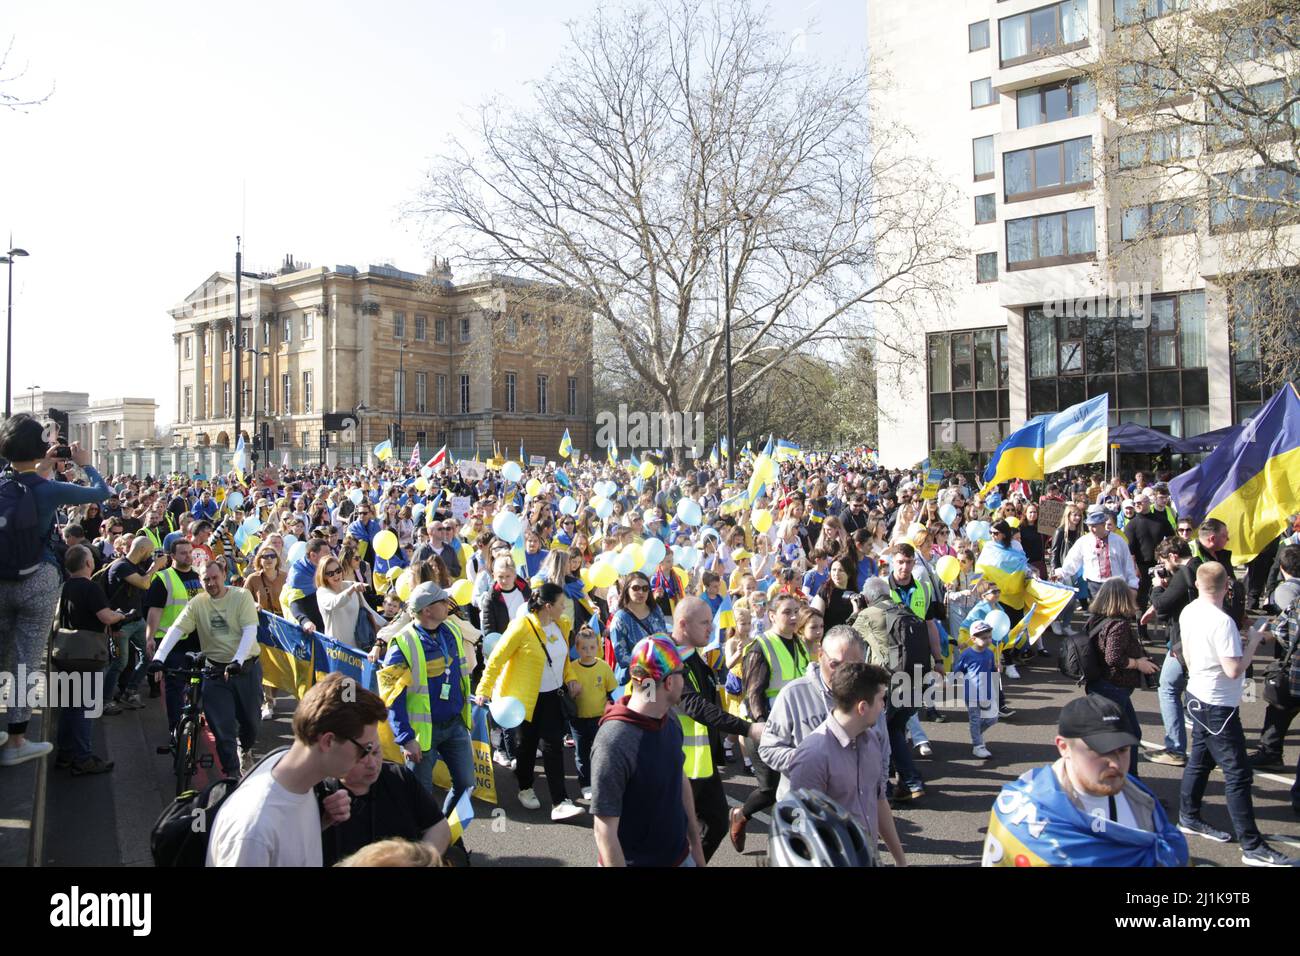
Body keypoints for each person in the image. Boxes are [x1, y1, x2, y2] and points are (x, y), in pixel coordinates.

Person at [0, 419, 110, 768]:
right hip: (39, 578)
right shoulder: (50, 490)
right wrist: (84, 461)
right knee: (26, 660)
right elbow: (101, 492)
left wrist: (40, 462)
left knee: (1, 652)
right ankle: (17, 738)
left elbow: (20, 479)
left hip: (2, 578)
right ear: (40, 449)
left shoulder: (4, 482)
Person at [1176, 562, 1295, 866]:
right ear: (1228, 585)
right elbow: (1233, 670)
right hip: (1218, 706)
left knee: (1200, 760)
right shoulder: (1222, 622)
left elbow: (1187, 652)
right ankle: (1252, 846)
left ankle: (1188, 816)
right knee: (1238, 774)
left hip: (1198, 694)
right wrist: (1253, 642)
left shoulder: (1190, 610)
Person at [982, 695, 1189, 867]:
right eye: (1101, 751)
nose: (1116, 764)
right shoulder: (1019, 816)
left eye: (1123, 750)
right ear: (1063, 747)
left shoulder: (1142, 800)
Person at [206, 673, 387, 866]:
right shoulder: (253, 832)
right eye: (365, 749)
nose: (370, 759)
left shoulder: (296, 777)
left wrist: (322, 822)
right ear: (328, 741)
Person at [589, 635, 705, 867]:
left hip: (681, 858)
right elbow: (604, 831)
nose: (686, 681)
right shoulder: (614, 742)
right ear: (669, 682)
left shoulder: (669, 718)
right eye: (682, 673)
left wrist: (696, 847)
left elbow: (678, 778)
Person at [474, 581, 583, 819]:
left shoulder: (562, 625)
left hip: (554, 696)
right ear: (547, 606)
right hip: (525, 700)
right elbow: (496, 659)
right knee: (527, 746)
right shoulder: (521, 627)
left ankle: (560, 801)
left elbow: (562, 662)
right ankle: (525, 787)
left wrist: (571, 678)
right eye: (560, 604)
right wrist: (484, 688)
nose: (564, 609)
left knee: (554, 746)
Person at [149, 559, 264, 777]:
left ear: (224, 574)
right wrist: (159, 658)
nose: (211, 583)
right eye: (206, 579)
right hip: (215, 672)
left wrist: (238, 661)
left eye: (214, 578)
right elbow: (176, 629)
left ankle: (245, 748)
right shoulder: (198, 603)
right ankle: (232, 774)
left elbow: (250, 631)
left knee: (250, 723)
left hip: (245, 669)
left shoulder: (241, 596)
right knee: (222, 728)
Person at [671, 596, 762, 861]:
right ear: (683, 624)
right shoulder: (669, 660)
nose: (711, 628)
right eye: (704, 623)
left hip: (701, 764)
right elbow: (695, 706)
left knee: (716, 823)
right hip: (677, 766)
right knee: (673, 834)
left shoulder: (696, 657)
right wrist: (748, 729)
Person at [787, 662, 905, 866]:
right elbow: (802, 834)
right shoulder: (812, 756)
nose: (883, 706)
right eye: (880, 700)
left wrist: (901, 861)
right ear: (862, 707)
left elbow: (878, 801)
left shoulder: (873, 741)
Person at [378, 582, 475, 813]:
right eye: (442, 601)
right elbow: (392, 695)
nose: (448, 604)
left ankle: (446, 836)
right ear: (427, 611)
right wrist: (405, 737)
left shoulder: (451, 630)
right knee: (419, 797)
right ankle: (423, 845)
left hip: (455, 725)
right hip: (421, 734)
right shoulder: (402, 643)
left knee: (466, 785)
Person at [731, 592, 812, 850]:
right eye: (787, 611)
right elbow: (753, 690)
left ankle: (787, 844)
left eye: (796, 611)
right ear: (772, 615)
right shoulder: (760, 646)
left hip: (795, 726)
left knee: (794, 786)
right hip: (765, 728)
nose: (793, 616)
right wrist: (761, 723)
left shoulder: (799, 643)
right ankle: (740, 815)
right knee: (769, 789)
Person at [759, 625, 871, 794]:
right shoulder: (793, 694)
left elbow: (881, 757)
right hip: (805, 808)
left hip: (854, 808)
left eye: (851, 666)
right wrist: (813, 761)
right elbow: (768, 749)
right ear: (820, 656)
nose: (842, 673)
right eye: (835, 664)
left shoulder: (870, 697)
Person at [320, 740, 452, 867]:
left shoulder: (400, 777)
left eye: (376, 752)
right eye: (362, 757)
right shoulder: (318, 793)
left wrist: (422, 860)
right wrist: (323, 823)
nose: (373, 764)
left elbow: (438, 826)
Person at [55, 545, 124, 775]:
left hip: (65, 653)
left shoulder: (63, 586)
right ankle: (83, 757)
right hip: (87, 655)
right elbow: (105, 616)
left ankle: (65, 754)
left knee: (68, 706)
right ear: (87, 564)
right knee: (85, 708)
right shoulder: (90, 588)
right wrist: (120, 616)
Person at [1082, 578, 1158, 778]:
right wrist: (1138, 663)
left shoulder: (1096, 619)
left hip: (1101, 685)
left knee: (1129, 734)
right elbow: (1113, 657)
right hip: (1113, 687)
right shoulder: (1118, 625)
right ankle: (1128, 784)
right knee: (1126, 738)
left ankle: (1126, 782)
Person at [1249, 545, 1299, 775]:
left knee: (1279, 708)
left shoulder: (1285, 592)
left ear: (1281, 567)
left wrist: (1257, 638)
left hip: (1293, 668)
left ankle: (1270, 753)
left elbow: (1284, 632)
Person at [104, 535, 166, 711]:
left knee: (148, 655)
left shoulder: (136, 566)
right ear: (141, 550)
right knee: (119, 663)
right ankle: (105, 700)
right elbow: (144, 583)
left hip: (137, 621)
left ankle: (129, 692)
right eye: (149, 552)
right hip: (121, 624)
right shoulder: (121, 567)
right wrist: (156, 566)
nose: (150, 556)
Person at [564, 626, 616, 801]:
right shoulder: (571, 668)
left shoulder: (603, 667)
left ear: (598, 648)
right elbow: (566, 691)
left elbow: (612, 691)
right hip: (577, 719)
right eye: (583, 648)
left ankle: (600, 780)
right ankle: (586, 784)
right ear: (577, 648)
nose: (588, 651)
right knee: (581, 753)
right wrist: (571, 692)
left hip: (599, 719)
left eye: (592, 647)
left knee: (600, 751)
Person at [607, 571, 668, 686]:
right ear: (627, 590)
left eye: (645, 588)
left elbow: (664, 638)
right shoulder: (620, 619)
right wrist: (649, 662)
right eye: (636, 588)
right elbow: (622, 657)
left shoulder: (656, 610)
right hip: (635, 681)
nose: (641, 592)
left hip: (661, 674)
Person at [315, 553, 384, 648]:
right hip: (338, 650)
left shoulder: (350, 585)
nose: (336, 575)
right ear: (324, 576)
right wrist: (352, 590)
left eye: (338, 571)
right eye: (330, 573)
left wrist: (386, 624)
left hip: (359, 646)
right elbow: (334, 603)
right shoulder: (322, 592)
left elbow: (368, 610)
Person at [953, 620, 999, 759]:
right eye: (983, 638)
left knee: (993, 718)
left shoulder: (990, 653)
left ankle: (976, 733)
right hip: (971, 693)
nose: (987, 640)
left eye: (989, 637)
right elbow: (958, 670)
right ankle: (978, 746)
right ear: (973, 639)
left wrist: (996, 671)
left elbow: (991, 672)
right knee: (975, 718)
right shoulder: (967, 654)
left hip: (987, 691)